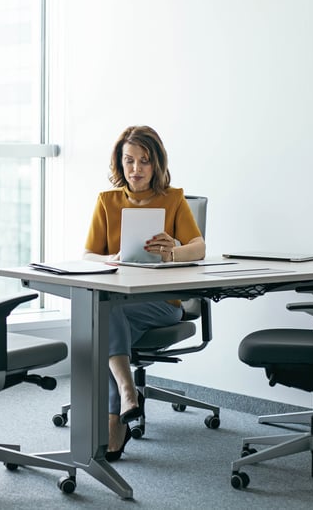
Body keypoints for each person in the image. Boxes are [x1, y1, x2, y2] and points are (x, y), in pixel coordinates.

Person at [82, 125, 206, 461]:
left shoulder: (174, 199)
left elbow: (199, 248)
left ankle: (121, 400)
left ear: (157, 164)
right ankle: (126, 397)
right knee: (103, 320)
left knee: (101, 323)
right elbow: (88, 255)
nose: (135, 169)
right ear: (120, 163)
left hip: (163, 303)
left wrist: (174, 251)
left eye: (144, 162)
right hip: (119, 302)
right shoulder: (106, 202)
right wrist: (110, 258)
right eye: (129, 160)